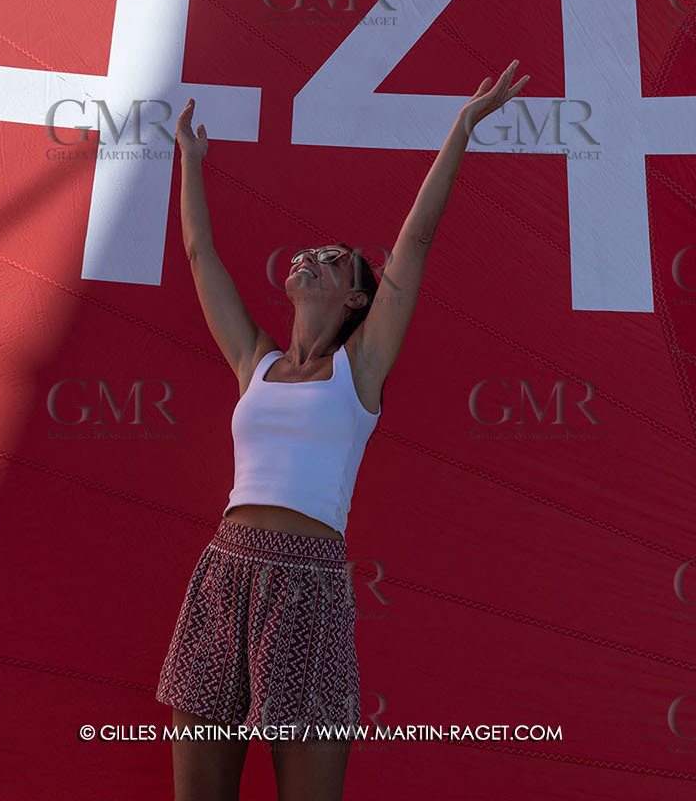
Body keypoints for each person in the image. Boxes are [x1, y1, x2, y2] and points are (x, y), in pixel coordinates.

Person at [156, 61, 530, 801]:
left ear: (356, 292)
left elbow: (414, 247)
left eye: (328, 259)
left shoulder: (359, 371)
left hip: (307, 586)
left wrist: (460, 127)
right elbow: (201, 257)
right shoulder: (253, 363)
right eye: (302, 256)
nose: (306, 259)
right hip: (222, 573)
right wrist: (189, 163)